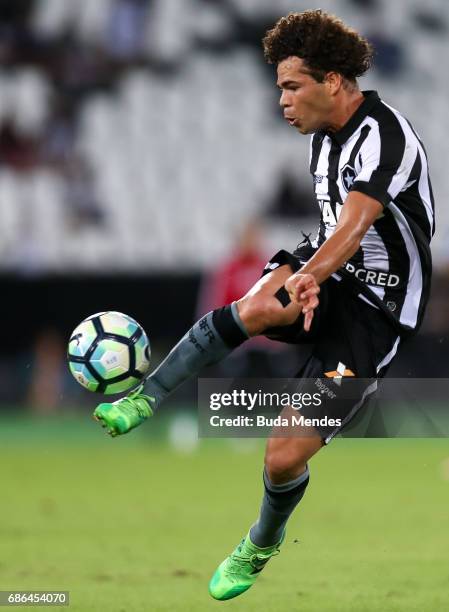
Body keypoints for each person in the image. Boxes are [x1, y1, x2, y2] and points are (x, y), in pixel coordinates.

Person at [93, 10, 434, 601]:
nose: (282, 100)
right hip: (329, 270)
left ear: (333, 81)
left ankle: (260, 542)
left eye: (291, 86)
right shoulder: (324, 137)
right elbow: (333, 230)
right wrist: (298, 273)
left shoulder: (387, 136)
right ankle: (144, 400)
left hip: (379, 309)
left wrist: (308, 275)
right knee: (256, 304)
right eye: (280, 87)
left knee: (282, 455)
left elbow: (355, 224)